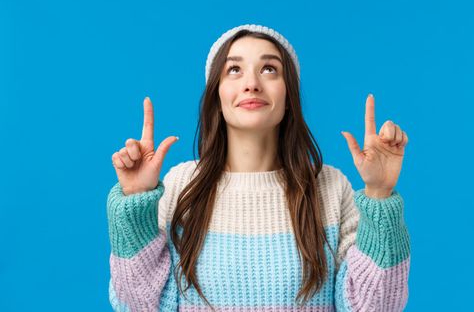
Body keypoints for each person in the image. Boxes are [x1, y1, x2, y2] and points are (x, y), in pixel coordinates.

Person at [107, 24, 411, 311]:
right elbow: (138, 306)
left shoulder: (330, 187)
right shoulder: (181, 184)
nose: (251, 84)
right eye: (234, 70)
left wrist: (380, 194)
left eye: (269, 69)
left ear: (289, 95)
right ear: (217, 95)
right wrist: (134, 201)